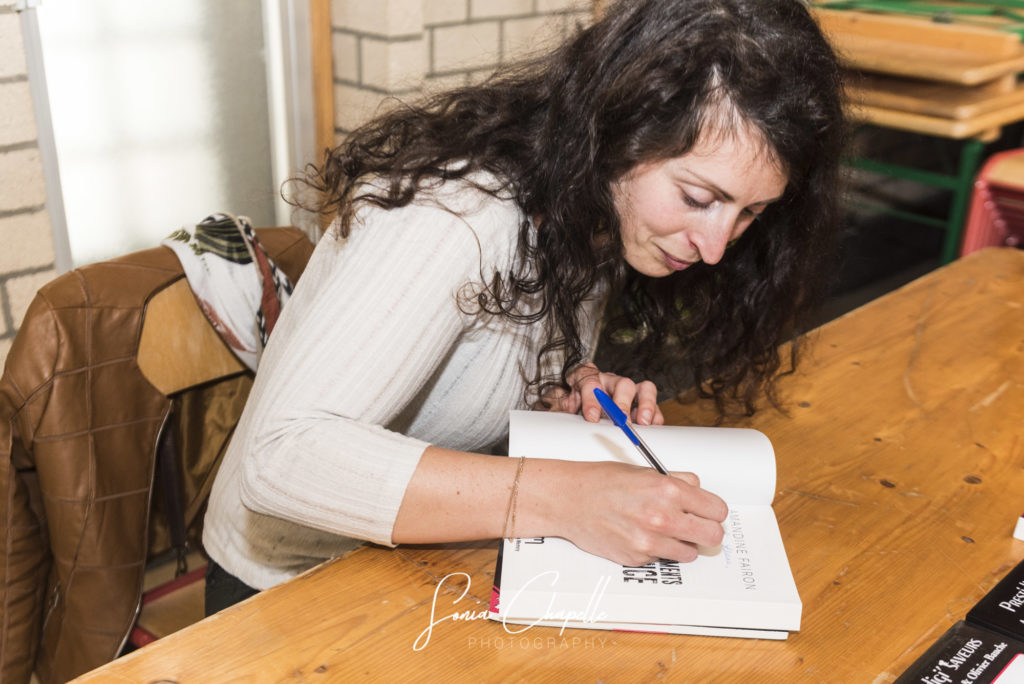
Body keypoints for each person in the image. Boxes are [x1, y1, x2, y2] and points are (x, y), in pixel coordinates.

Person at [201, 0, 846, 613]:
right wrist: (563, 496)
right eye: (699, 197)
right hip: (285, 585)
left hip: (405, 560)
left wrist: (568, 387)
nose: (715, 248)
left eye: (750, 213)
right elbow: (283, 457)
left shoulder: (587, 205)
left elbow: (490, 344)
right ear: (621, 131)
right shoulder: (454, 218)